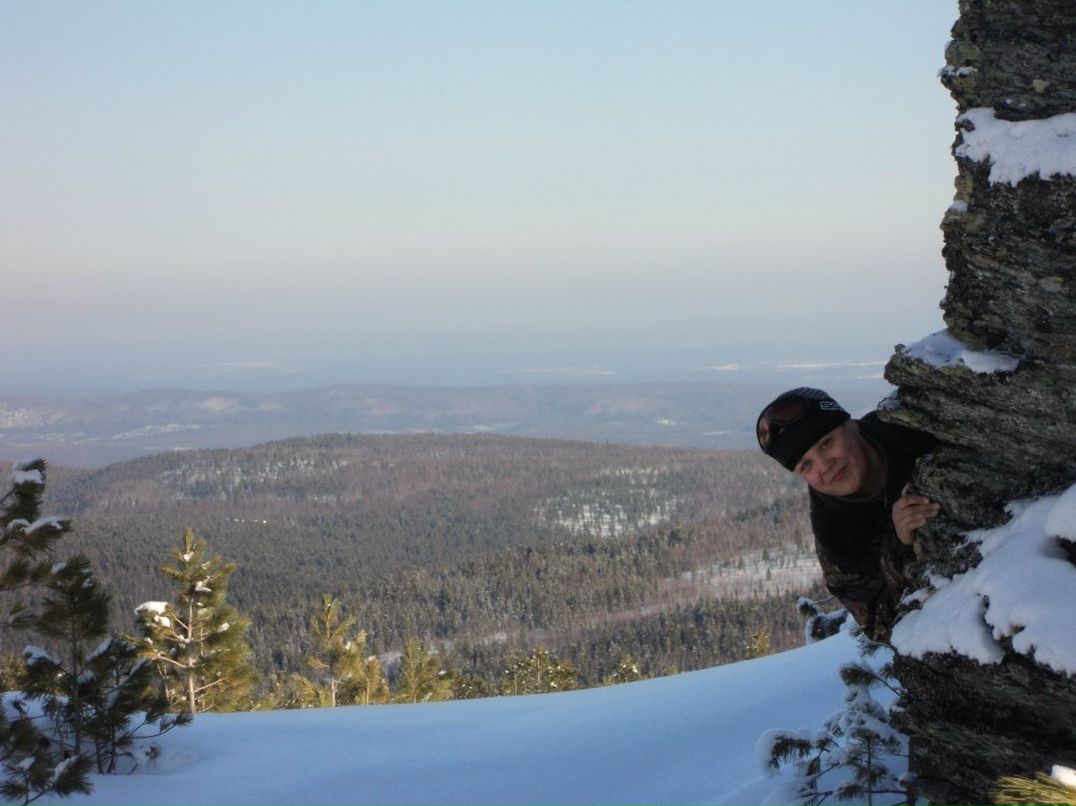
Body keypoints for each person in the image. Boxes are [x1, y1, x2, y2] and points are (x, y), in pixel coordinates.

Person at [756, 387, 940, 642]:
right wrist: (901, 546)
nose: (825, 466)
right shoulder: (835, 537)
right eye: (806, 466)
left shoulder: (913, 428)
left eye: (826, 443)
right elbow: (881, 626)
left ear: (851, 424)